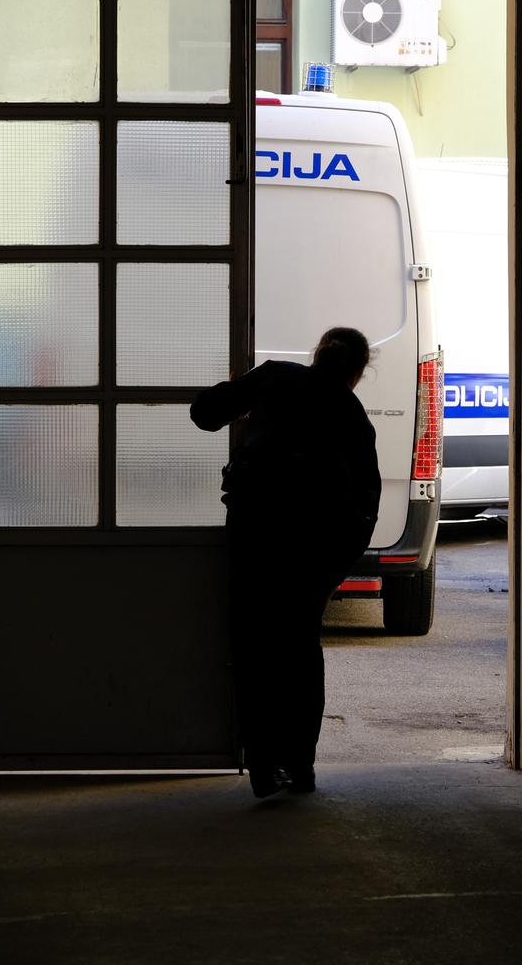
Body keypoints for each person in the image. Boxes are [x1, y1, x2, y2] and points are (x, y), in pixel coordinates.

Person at [190, 327, 381, 799]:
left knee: (254, 647)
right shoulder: (354, 417)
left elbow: (205, 415)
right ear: (357, 372)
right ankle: (300, 767)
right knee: (299, 649)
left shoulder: (277, 377)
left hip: (256, 531)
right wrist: (337, 563)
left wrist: (237, 387)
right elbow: (366, 503)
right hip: (316, 546)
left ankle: (263, 766)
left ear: (317, 355)